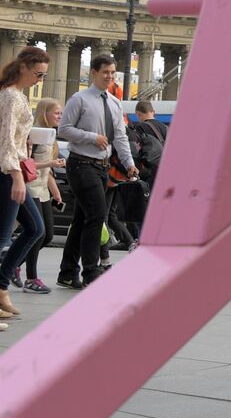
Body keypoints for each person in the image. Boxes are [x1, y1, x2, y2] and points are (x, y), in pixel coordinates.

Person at [56, 54, 139, 290]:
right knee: (97, 215)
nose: (110, 77)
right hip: (81, 164)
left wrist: (129, 163)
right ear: (93, 73)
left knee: (83, 218)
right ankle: (92, 271)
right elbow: (64, 129)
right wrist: (92, 137)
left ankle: (67, 272)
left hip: (102, 167)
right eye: (105, 72)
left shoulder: (114, 102)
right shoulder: (79, 99)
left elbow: (121, 137)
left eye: (112, 73)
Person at [0, 47, 51, 318]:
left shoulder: (16, 96)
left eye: (43, 75)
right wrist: (17, 176)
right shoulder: (10, 96)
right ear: (23, 68)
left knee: (35, 229)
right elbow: (6, 140)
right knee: (5, 237)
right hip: (7, 173)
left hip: (12, 170)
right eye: (38, 74)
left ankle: (1, 286)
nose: (40, 80)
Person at [19, 98, 65, 292]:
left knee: (47, 235)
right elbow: (25, 164)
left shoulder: (50, 135)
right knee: (39, 233)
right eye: (56, 113)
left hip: (43, 189)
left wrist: (56, 193)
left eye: (60, 113)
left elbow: (48, 173)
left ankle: (12, 262)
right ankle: (31, 278)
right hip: (31, 187)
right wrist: (50, 164)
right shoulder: (35, 134)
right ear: (44, 113)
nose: (59, 117)